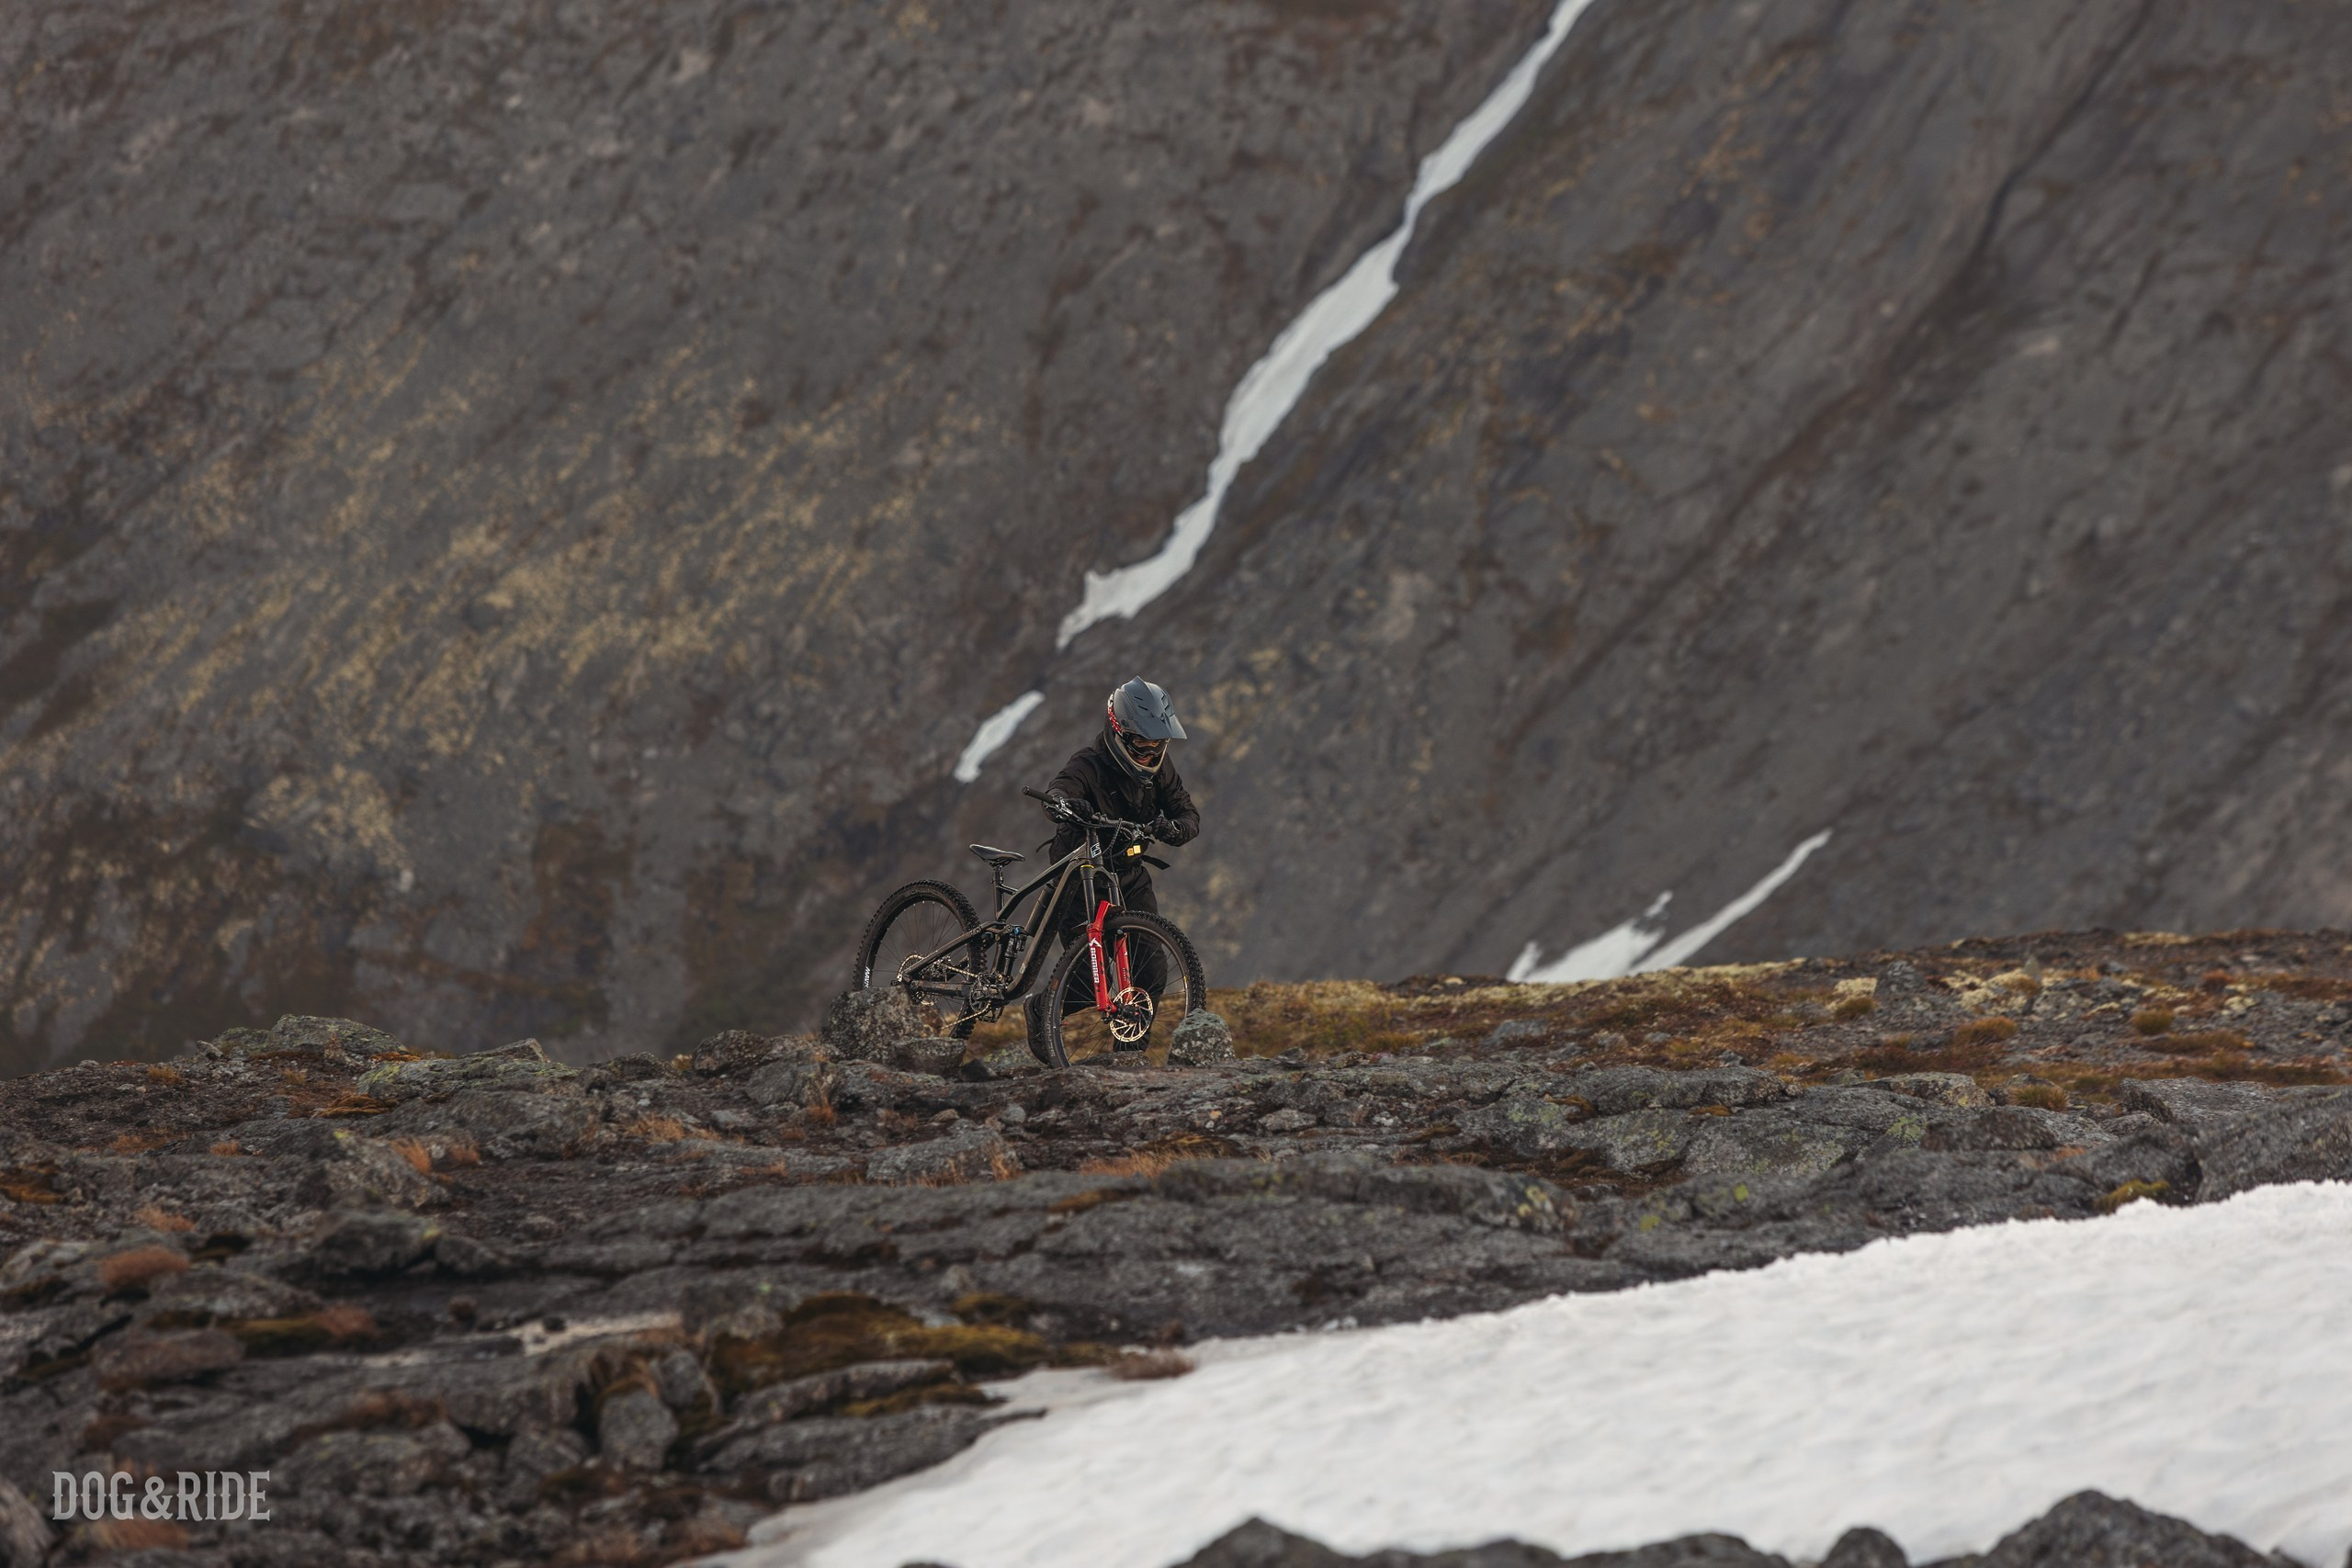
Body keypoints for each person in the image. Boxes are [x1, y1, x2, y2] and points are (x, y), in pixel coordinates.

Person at [1025, 677, 1200, 1054]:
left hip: (1129, 875)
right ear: (1119, 733)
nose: (1150, 753)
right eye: (1141, 744)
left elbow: (1188, 814)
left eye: (1158, 744)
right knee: (1088, 983)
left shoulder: (1161, 769)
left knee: (1151, 971)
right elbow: (1058, 791)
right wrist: (1065, 804)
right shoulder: (1087, 764)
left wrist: (1173, 828)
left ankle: (1129, 1058)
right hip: (1081, 879)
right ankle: (1040, 1009)